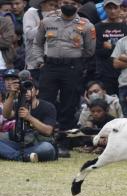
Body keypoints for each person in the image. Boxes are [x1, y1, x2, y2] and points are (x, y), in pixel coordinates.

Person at [31, 0, 96, 157]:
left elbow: (89, 50)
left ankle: (63, 143)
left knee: (69, 104)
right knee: (45, 102)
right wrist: (39, 61)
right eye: (65, 1)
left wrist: (76, 61)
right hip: (50, 66)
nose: (68, 4)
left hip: (72, 68)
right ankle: (41, 141)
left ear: (78, 5)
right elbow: (37, 43)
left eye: (72, 2)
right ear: (59, 3)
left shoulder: (87, 25)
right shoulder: (47, 21)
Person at [0, 69, 57, 162]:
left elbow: (48, 131)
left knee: (48, 148)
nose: (26, 91)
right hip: (19, 144)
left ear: (37, 92)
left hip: (38, 144)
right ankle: (21, 157)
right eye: (24, 88)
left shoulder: (48, 107)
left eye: (29, 88)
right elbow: (6, 115)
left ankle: (12, 154)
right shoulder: (18, 103)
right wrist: (11, 94)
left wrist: (29, 118)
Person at [95, 0, 127, 96]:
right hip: (105, 72)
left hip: (124, 72)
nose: (112, 11)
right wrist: (119, 49)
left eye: (115, 7)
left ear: (120, 8)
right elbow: (99, 51)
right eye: (109, 8)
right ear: (104, 9)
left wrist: (111, 47)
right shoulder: (98, 27)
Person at [22, 0, 59, 82]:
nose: (53, 8)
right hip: (35, 65)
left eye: (56, 6)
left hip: (54, 65)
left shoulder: (59, 18)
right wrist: (45, 21)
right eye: (51, 4)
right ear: (42, 4)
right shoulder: (30, 14)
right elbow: (29, 35)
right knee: (34, 92)